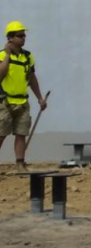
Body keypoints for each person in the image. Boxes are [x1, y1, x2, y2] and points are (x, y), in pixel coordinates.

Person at [0, 21, 47, 173]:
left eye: (24, 35)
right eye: (19, 35)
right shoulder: (1, 55)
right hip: (5, 101)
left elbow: (32, 78)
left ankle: (20, 164)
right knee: (1, 134)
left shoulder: (27, 56)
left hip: (22, 101)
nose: (23, 38)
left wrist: (39, 98)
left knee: (21, 133)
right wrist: (7, 55)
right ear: (10, 38)